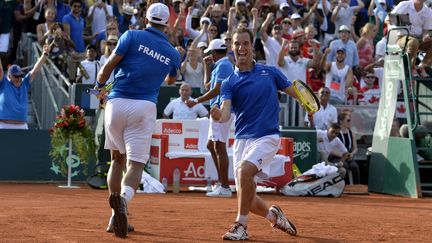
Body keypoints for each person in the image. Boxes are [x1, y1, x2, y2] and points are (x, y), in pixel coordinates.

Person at [95, 3, 182, 238]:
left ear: (146, 19)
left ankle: (114, 217)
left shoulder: (131, 35)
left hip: (116, 103)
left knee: (117, 160)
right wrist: (175, 58)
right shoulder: (173, 52)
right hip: (144, 106)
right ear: (166, 24)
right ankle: (122, 201)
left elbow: (106, 70)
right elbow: (172, 81)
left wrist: (99, 89)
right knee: (135, 164)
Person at [211, 27, 297, 241]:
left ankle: (241, 225)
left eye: (245, 43)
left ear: (252, 47)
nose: (241, 48)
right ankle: (274, 216)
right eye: (237, 44)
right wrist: (216, 115)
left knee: (244, 173)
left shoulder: (270, 72)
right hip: (242, 140)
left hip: (266, 136)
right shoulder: (229, 82)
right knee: (246, 196)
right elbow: (225, 115)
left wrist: (311, 104)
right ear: (232, 48)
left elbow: (296, 92)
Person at [185, 38, 234, 198]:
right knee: (211, 145)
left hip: (220, 110)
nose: (209, 56)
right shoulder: (219, 65)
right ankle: (221, 183)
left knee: (219, 146)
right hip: (217, 109)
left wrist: (196, 101)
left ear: (214, 53)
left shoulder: (224, 65)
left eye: (210, 54)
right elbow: (208, 86)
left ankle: (225, 186)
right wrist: (207, 66)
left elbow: (217, 90)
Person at [0, 45, 50, 129]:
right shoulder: (4, 83)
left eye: (20, 75)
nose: (19, 78)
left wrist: (44, 55)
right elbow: (0, 70)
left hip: (22, 126)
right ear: (9, 76)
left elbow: (35, 71)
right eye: (16, 76)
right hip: (4, 126)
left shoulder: (24, 83)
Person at [391, 0, 432, 77]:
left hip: (418, 39)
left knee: (416, 41)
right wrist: (396, 21)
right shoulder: (404, 5)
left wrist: (425, 36)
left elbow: (425, 31)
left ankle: (421, 67)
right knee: (414, 42)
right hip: (402, 37)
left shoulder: (428, 11)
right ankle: (411, 68)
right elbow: (387, 19)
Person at [336, 112, 360, 184]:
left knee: (355, 166)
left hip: (348, 156)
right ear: (341, 121)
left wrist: (352, 154)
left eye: (350, 120)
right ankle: (345, 186)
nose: (349, 122)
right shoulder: (336, 133)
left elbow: (355, 148)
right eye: (348, 120)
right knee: (345, 166)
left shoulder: (351, 133)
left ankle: (357, 187)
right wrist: (342, 155)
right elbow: (332, 148)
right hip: (338, 156)